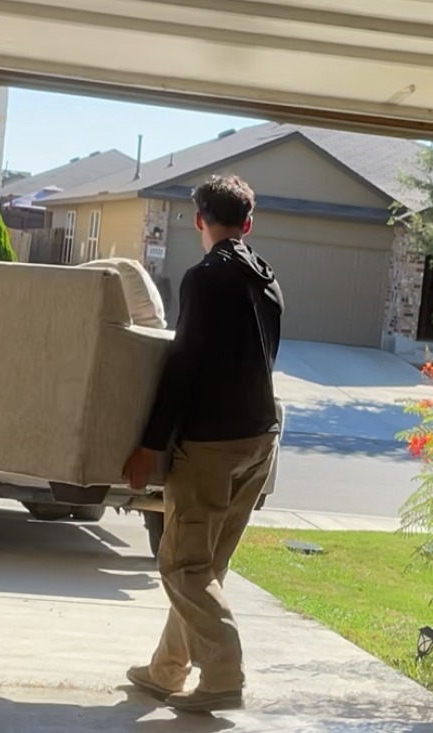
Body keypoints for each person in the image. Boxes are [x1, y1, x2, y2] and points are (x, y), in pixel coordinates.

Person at [122, 174, 284, 713]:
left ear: (199, 221)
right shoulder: (268, 280)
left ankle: (223, 675)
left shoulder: (203, 279)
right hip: (260, 439)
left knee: (183, 567)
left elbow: (183, 367)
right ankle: (167, 669)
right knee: (207, 566)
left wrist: (149, 445)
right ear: (248, 223)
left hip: (211, 445)